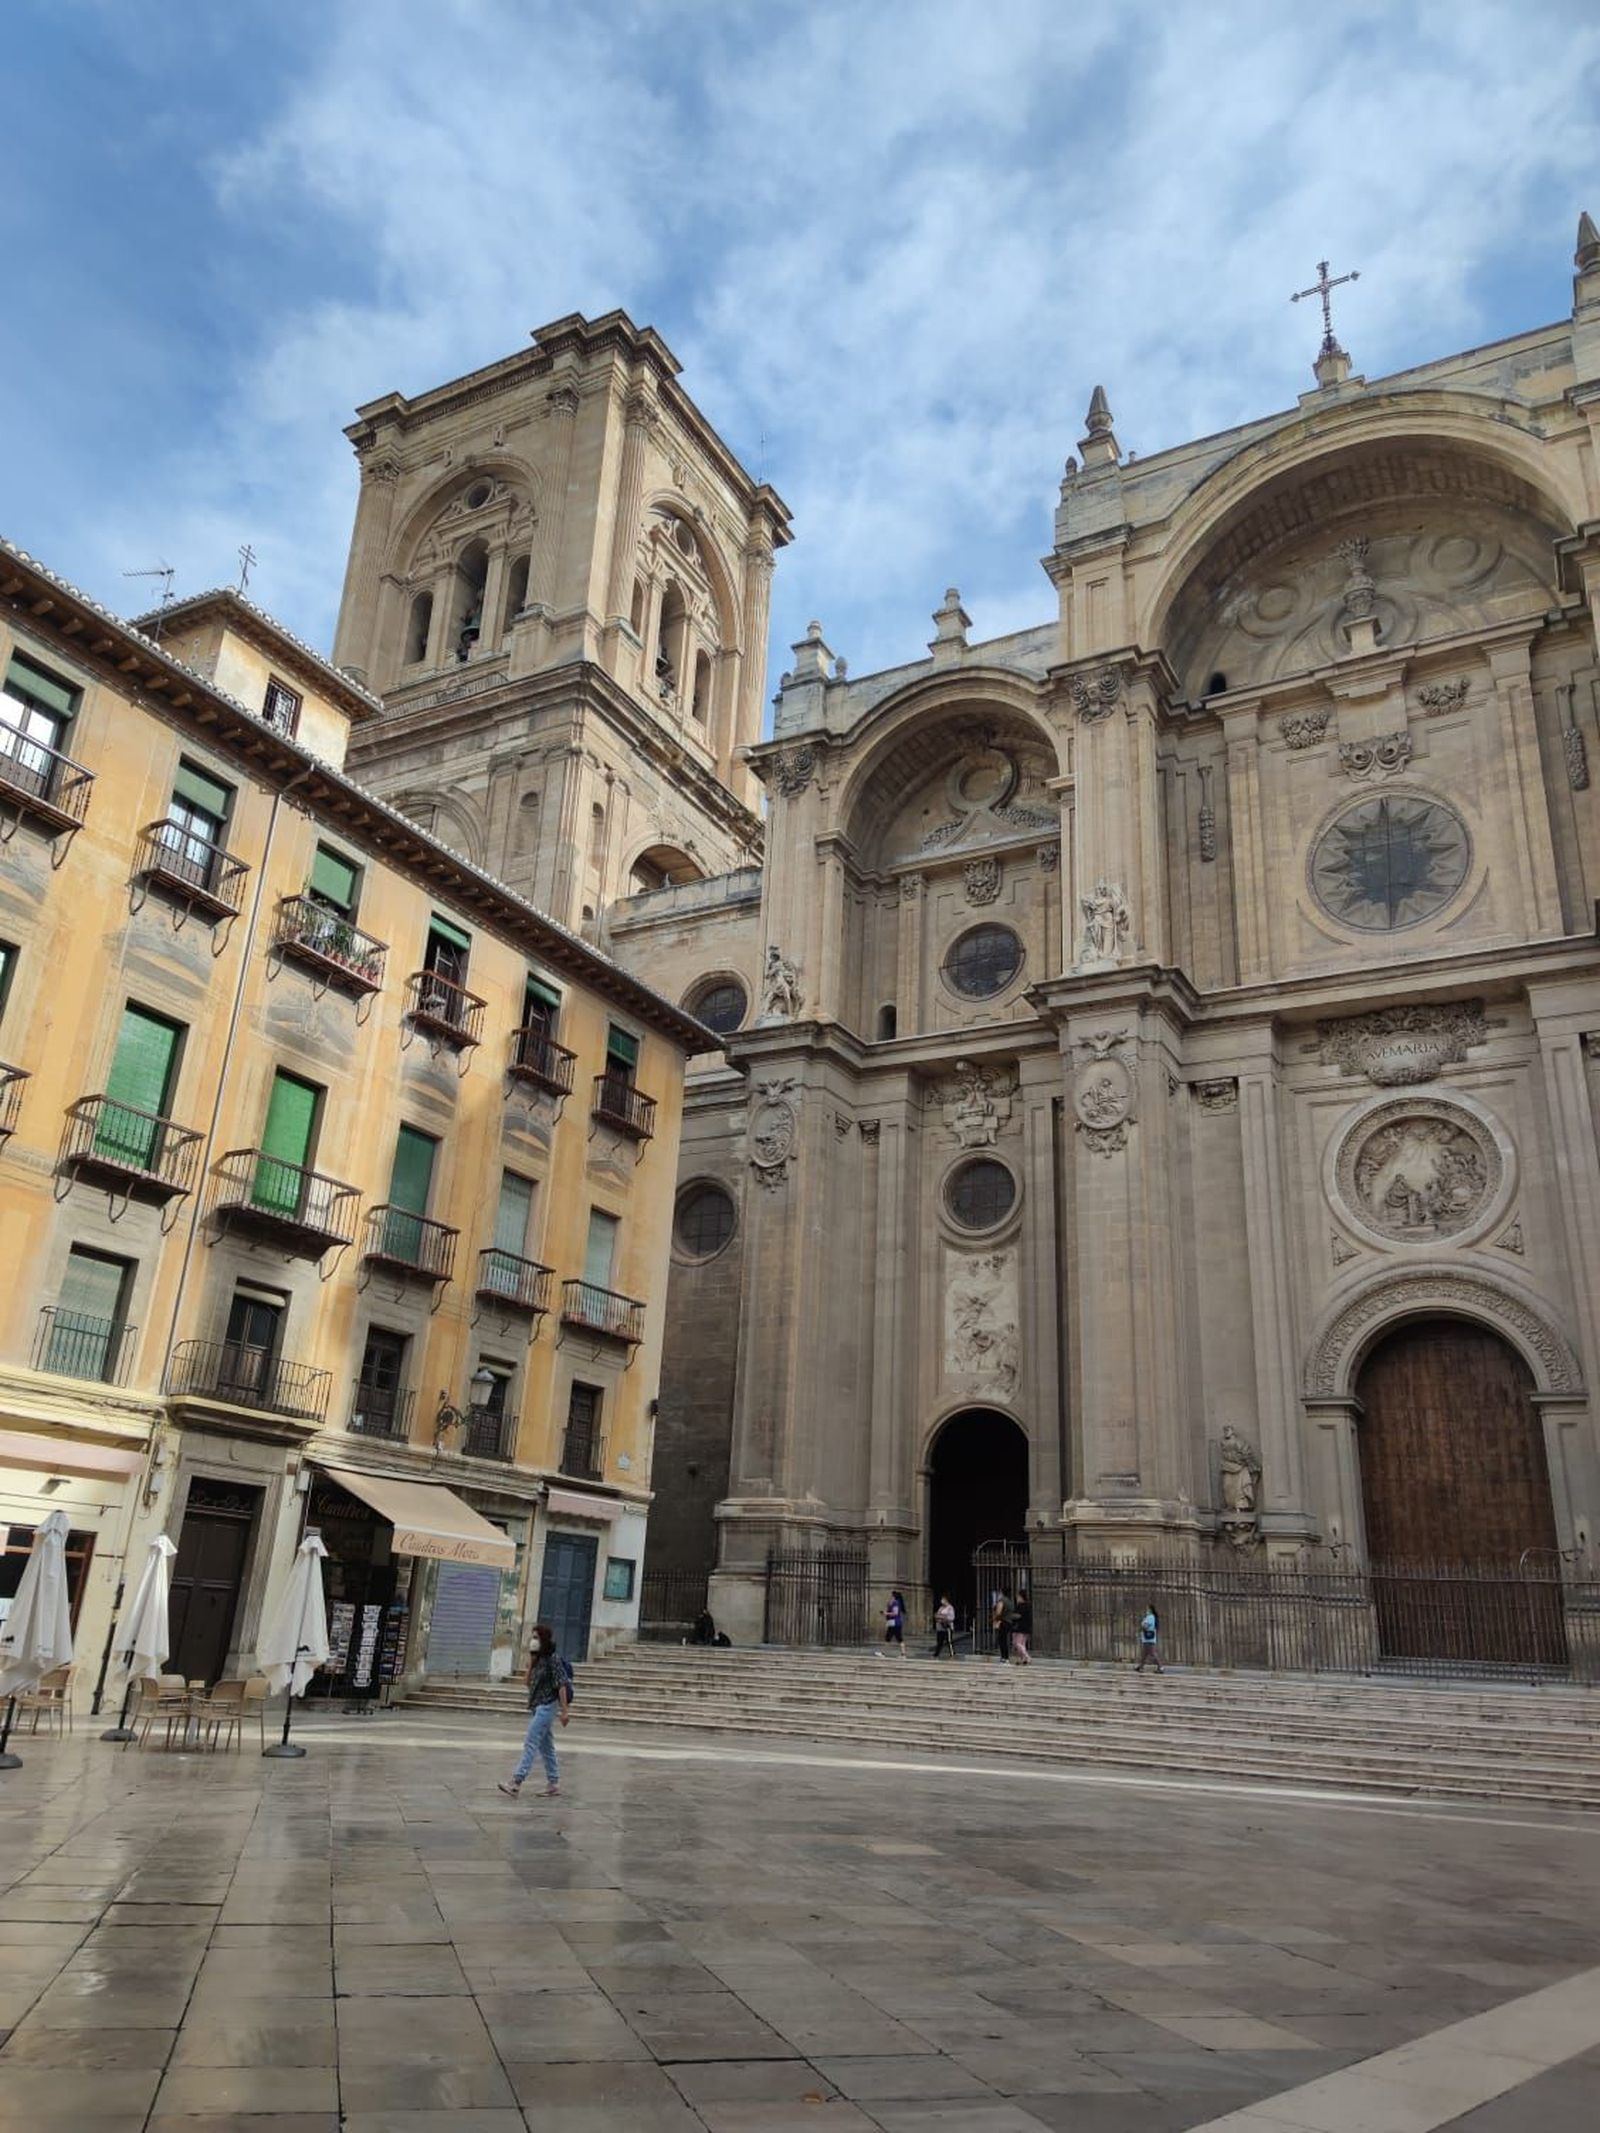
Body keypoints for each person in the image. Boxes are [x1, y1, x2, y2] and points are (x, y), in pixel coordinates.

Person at [499, 1623, 570, 1798]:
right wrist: (531, 1663)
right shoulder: (538, 1660)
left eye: (536, 1638)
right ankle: (553, 1783)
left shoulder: (553, 1659)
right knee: (546, 1746)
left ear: (544, 1639)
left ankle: (516, 1782)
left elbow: (562, 1685)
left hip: (548, 1706)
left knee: (531, 1742)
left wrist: (565, 1711)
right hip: (537, 1706)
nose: (533, 1641)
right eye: (532, 1637)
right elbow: (526, 1682)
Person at [1135, 1604, 1163, 1674]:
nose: (1146, 1610)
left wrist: (1142, 1626)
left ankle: (1160, 1667)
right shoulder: (1151, 1617)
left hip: (1148, 1638)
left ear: (1150, 1610)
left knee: (1152, 1653)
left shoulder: (1150, 1617)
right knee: (1144, 1653)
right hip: (1148, 1638)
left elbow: (1146, 1625)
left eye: (1147, 1609)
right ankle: (1141, 1666)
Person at [881, 1589, 908, 1657]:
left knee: (891, 1638)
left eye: (891, 1596)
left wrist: (886, 1613)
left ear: (894, 1596)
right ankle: (903, 1654)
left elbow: (895, 1613)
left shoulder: (895, 1603)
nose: (890, 1597)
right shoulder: (896, 1603)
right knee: (893, 1638)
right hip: (894, 1623)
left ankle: (883, 1653)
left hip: (894, 1623)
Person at [991, 1591, 1014, 1663]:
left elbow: (998, 1612)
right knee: (1004, 1639)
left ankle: (1004, 1657)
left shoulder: (1002, 1600)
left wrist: (994, 1619)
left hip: (1003, 1621)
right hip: (1009, 1622)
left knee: (1002, 1639)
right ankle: (1005, 1657)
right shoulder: (1010, 1602)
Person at [1011, 1591, 1033, 1666]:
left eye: (1018, 1597)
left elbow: (1018, 1616)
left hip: (1020, 1627)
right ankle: (1022, 1659)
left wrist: (1011, 1616)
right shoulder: (1028, 1605)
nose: (1017, 1598)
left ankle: (1027, 1657)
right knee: (1022, 1644)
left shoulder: (1021, 1606)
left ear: (1021, 1597)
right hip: (1026, 1627)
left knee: (1017, 1643)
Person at [933, 1595, 957, 1659]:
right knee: (939, 1641)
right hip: (940, 1627)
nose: (942, 1601)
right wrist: (940, 1617)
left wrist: (943, 1617)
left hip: (947, 1627)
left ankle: (952, 1652)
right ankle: (936, 1653)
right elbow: (936, 1615)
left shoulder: (950, 1608)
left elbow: (951, 1617)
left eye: (943, 1599)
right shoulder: (941, 1608)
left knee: (949, 1641)